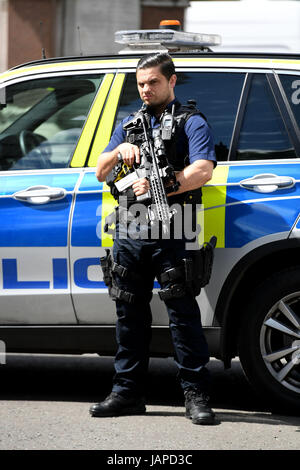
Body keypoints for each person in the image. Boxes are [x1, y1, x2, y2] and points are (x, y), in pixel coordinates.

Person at [90, 52, 217, 425]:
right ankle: (127, 393)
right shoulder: (128, 124)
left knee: (182, 315)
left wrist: (161, 182)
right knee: (128, 314)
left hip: (175, 226)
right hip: (130, 227)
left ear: (172, 81)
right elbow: (100, 172)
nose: (146, 89)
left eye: (153, 82)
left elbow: (203, 171)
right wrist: (118, 151)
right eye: (141, 83)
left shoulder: (192, 121)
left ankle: (196, 396)